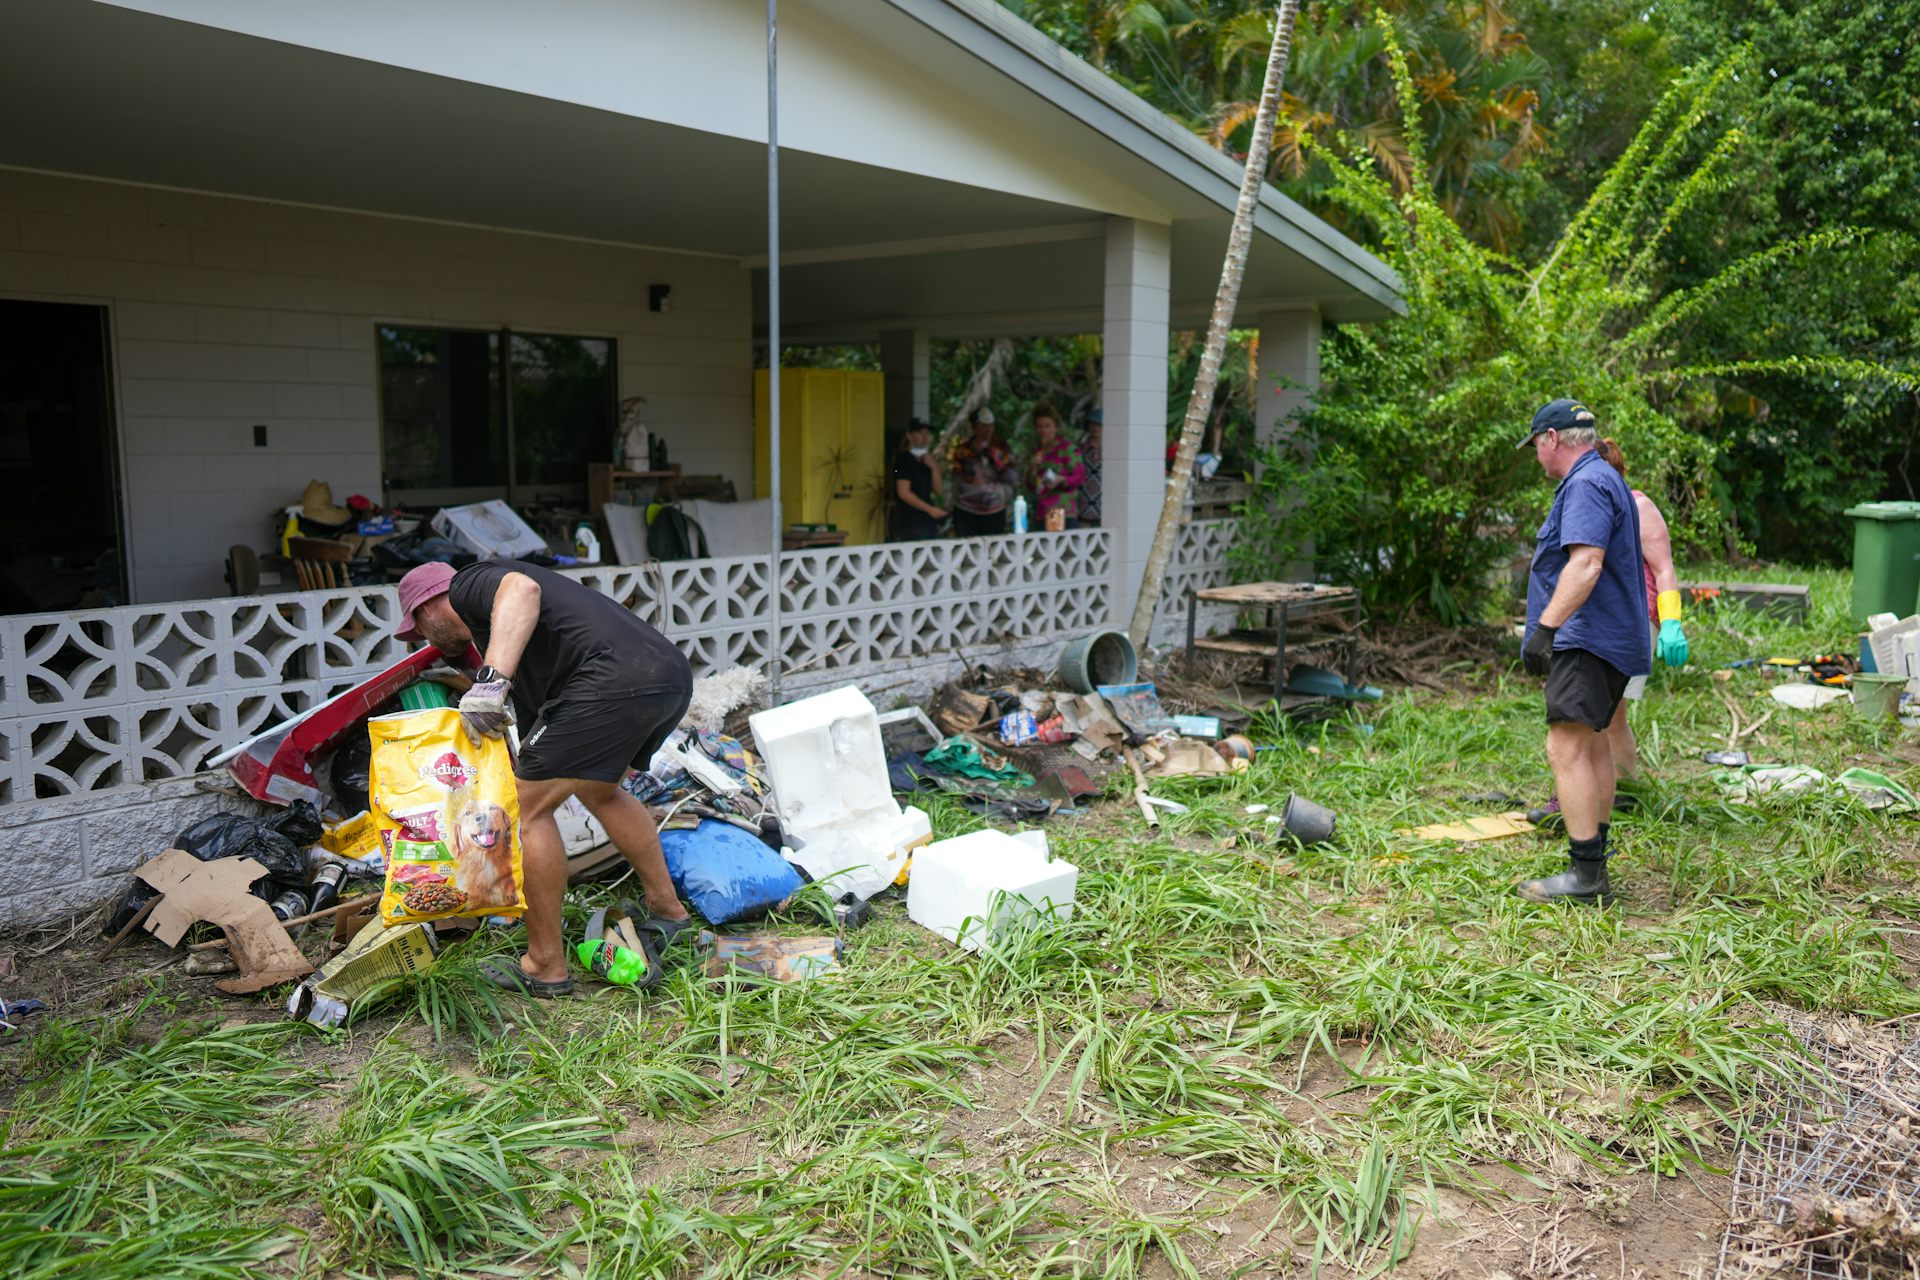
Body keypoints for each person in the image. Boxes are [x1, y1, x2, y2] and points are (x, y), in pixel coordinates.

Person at [393, 559, 694, 996]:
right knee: (601, 791)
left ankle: (545, 964)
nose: (423, 639)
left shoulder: (468, 586)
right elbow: (540, 726)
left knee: (525, 809)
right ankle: (670, 914)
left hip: (610, 679)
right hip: (667, 677)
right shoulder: (512, 636)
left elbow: (521, 589)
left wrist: (490, 682)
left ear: (426, 607)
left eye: (418, 628)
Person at [1514, 398, 1651, 906]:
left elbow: (1587, 564)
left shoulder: (1587, 484)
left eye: (1534, 446)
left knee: (1565, 748)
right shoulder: (1602, 478)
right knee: (1593, 744)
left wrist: (1546, 629)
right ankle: (1593, 861)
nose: (1535, 456)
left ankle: (1586, 876)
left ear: (1550, 439)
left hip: (1587, 637)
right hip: (1610, 638)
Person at [1595, 438, 1690, 777]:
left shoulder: (1637, 506)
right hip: (1602, 620)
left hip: (1633, 620)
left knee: (1608, 712)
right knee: (1605, 711)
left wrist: (1671, 624)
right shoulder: (1589, 507)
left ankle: (1619, 793)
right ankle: (1614, 791)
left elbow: (1664, 568)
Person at [948, 408, 1017, 536]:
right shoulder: (963, 450)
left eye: (990, 426)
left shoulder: (1002, 447)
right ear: (974, 428)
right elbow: (956, 478)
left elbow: (1012, 479)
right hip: (966, 510)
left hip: (994, 510)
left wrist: (998, 462)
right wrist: (950, 504)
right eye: (983, 426)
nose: (987, 430)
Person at [1026, 402, 1086, 530]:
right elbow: (1031, 486)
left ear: (1056, 427)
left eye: (1048, 426)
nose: (1044, 431)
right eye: (1039, 427)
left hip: (1060, 509)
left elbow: (1080, 476)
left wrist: (1061, 479)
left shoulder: (1067, 448)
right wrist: (1032, 467)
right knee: (1042, 548)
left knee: (1056, 548)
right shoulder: (1036, 452)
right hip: (1041, 511)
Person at [889, 417, 948, 541]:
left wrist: (934, 468)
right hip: (909, 521)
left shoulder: (926, 460)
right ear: (909, 436)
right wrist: (930, 509)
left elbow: (938, 490)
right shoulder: (903, 460)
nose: (925, 438)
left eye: (927, 434)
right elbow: (903, 493)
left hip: (927, 521)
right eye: (920, 433)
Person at [1078, 409, 1103, 528]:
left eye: (1099, 424)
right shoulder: (1080, 448)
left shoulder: (1114, 450)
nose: (1095, 428)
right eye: (1092, 424)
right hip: (1083, 502)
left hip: (1105, 503)